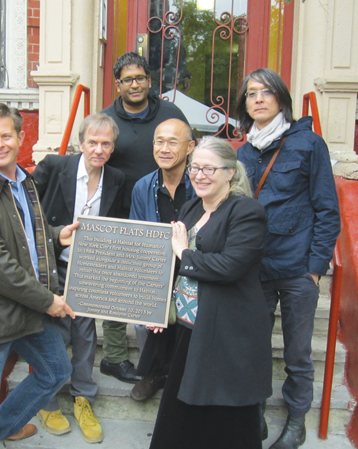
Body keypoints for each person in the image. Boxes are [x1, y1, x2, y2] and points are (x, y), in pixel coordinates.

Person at [0, 103, 80, 449]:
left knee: (55, 372)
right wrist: (48, 301)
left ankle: (1, 429)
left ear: (21, 137)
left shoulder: (23, 181)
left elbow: (20, 236)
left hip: (24, 308)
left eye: (6, 135)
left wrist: (54, 235)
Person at [236, 68, 341, 449]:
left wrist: (315, 269)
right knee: (254, 346)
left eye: (266, 92)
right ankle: (256, 413)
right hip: (255, 269)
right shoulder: (243, 152)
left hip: (298, 269)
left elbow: (328, 210)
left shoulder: (309, 144)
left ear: (281, 98)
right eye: (251, 94)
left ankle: (296, 422)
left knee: (297, 353)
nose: (258, 99)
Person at [149, 137, 272, 449]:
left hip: (227, 334)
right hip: (190, 329)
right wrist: (157, 309)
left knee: (224, 418)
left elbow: (230, 266)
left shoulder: (246, 211)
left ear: (229, 172)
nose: (199, 175)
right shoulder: (192, 206)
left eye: (208, 168)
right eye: (194, 168)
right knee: (180, 416)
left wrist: (184, 253)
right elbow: (171, 266)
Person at [32, 114, 125, 443]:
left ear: (113, 147)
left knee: (85, 334)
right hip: (51, 263)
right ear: (81, 143)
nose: (99, 149)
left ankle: (83, 397)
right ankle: (45, 400)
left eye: (106, 144)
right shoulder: (55, 167)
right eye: (93, 143)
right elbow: (27, 212)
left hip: (89, 267)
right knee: (50, 333)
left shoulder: (117, 179)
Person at [100, 52, 190, 383]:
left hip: (164, 210)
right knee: (119, 289)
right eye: (127, 79)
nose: (134, 84)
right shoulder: (108, 118)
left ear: (150, 82)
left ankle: (162, 364)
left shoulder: (169, 113)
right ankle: (117, 357)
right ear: (118, 84)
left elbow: (186, 149)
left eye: (140, 78)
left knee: (164, 288)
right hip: (121, 211)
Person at [128, 118, 195, 402]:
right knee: (144, 317)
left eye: (173, 142)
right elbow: (136, 232)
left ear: (190, 147)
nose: (164, 148)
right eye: (159, 141)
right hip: (156, 267)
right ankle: (153, 373)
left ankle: (185, 377)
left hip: (193, 267)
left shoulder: (200, 182)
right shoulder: (143, 186)